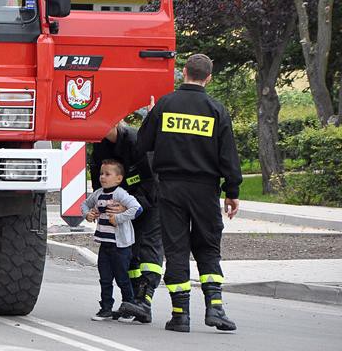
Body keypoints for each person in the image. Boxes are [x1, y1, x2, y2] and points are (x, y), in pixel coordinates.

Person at [137, 53, 242, 333]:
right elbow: (228, 155)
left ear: (184, 72)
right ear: (209, 77)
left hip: (170, 187)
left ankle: (180, 315)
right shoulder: (216, 109)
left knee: (176, 248)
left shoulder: (165, 104)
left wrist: (150, 118)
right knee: (208, 246)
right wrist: (232, 191)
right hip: (205, 190)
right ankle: (215, 308)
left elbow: (142, 143)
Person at [90, 120, 163, 323]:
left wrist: (130, 205)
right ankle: (131, 302)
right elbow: (99, 182)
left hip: (151, 201)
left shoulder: (137, 142)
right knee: (128, 253)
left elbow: (152, 182)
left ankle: (144, 300)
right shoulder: (100, 145)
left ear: (115, 122)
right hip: (123, 207)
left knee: (148, 250)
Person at [81, 160, 142, 321]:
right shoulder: (98, 194)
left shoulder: (120, 194)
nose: (102, 177)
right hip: (104, 244)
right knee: (105, 278)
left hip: (120, 246)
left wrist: (119, 218)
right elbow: (85, 205)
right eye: (101, 173)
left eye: (108, 174)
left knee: (122, 277)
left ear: (118, 178)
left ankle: (129, 307)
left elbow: (137, 208)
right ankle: (106, 308)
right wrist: (87, 215)